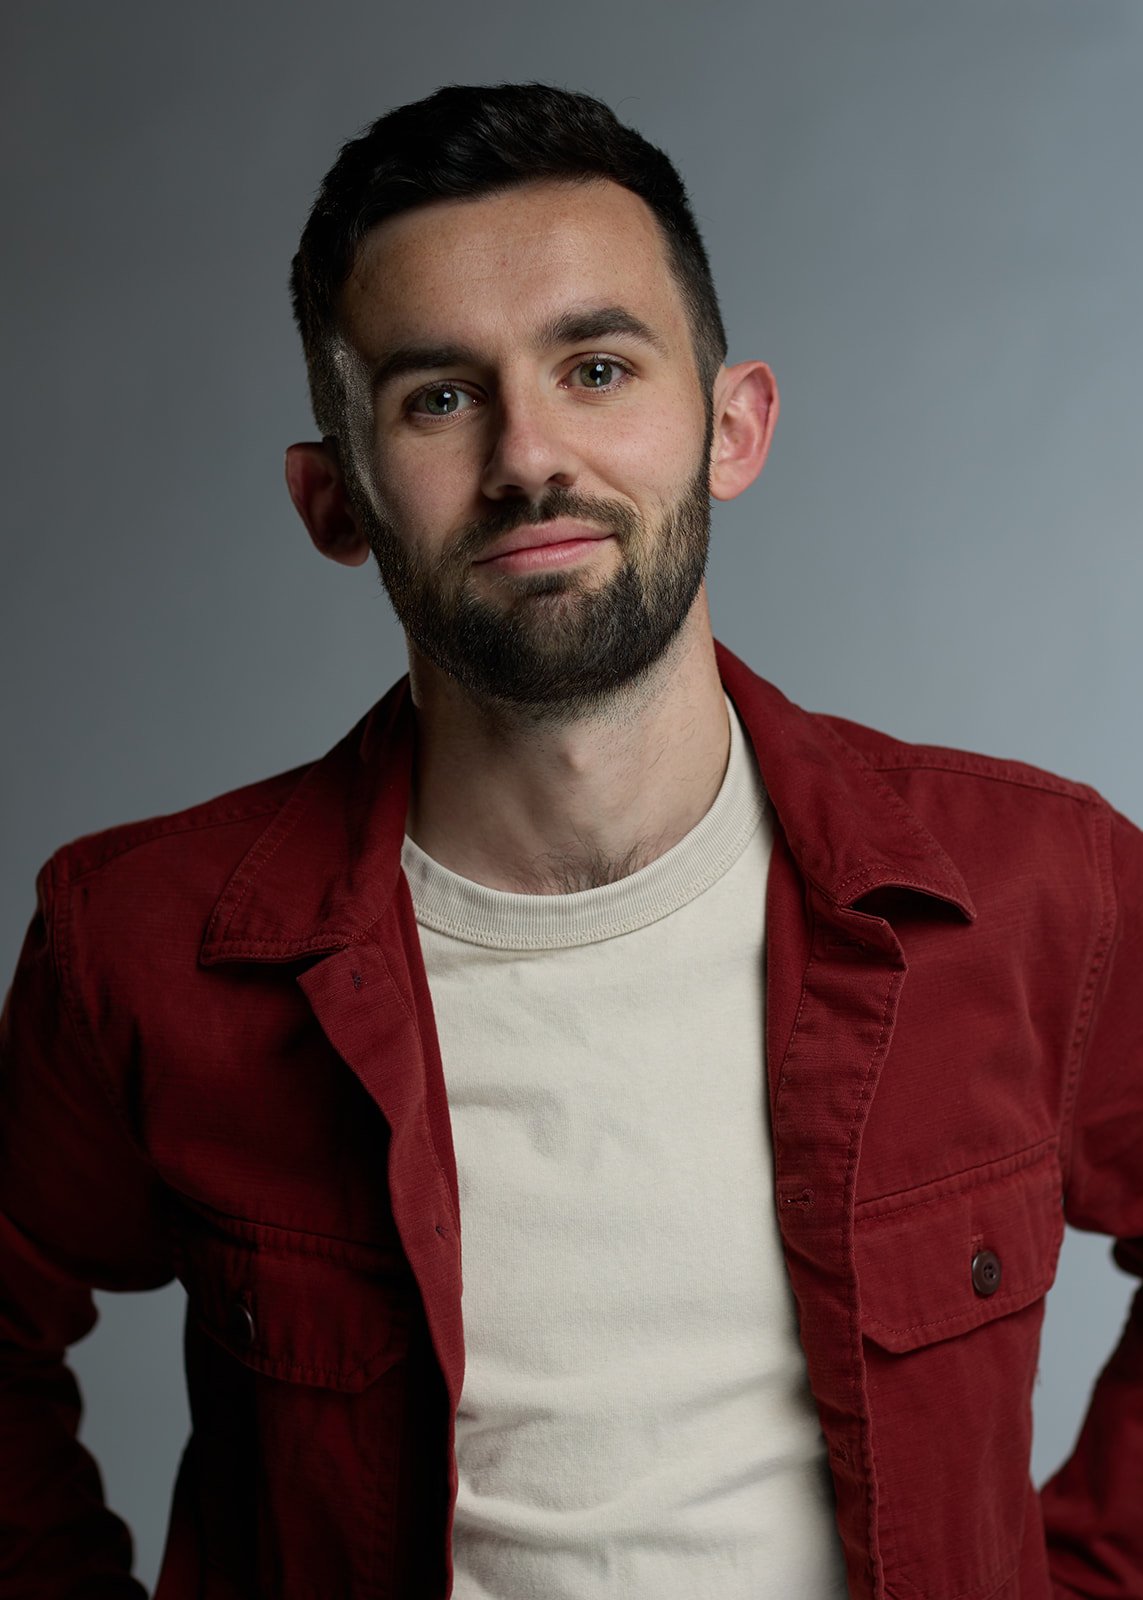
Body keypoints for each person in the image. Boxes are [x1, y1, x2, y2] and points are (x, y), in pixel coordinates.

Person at [0, 79, 1139, 1600]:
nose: (529, 456)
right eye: (439, 397)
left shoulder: (1036, 889)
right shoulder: (142, 949)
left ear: (732, 425)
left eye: (597, 368)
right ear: (333, 500)